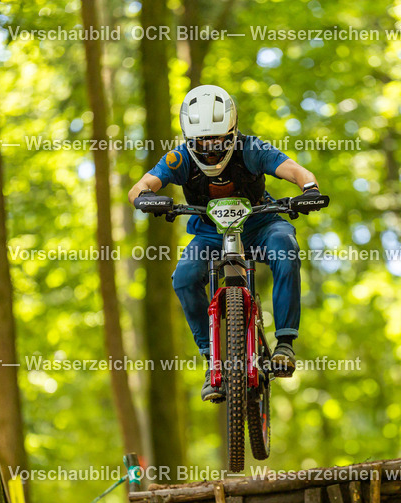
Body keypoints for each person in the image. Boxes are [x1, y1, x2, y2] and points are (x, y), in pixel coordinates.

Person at [128, 85, 327, 402]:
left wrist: (309, 189)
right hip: (210, 233)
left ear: (233, 131)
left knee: (286, 248)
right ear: (189, 136)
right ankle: (212, 362)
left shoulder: (251, 149)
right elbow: (142, 185)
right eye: (202, 140)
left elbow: (294, 169)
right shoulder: (179, 159)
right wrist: (147, 199)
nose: (210, 148)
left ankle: (285, 343)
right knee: (183, 278)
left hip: (260, 223)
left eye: (218, 139)